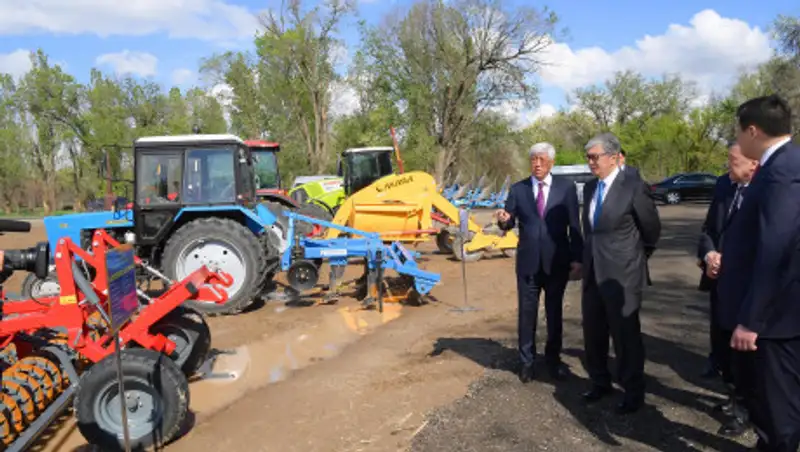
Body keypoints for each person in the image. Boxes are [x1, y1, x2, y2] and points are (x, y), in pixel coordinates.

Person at [719, 94, 800, 451]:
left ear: (753, 130)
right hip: (777, 313)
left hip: (776, 320)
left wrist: (752, 319)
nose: (738, 140)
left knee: (778, 413)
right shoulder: (784, 164)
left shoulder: (781, 170)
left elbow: (777, 248)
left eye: (739, 132)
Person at [578, 132, 661, 415]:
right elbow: (589, 231)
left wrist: (636, 257)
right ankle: (600, 382)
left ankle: (633, 391)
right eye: (588, 157)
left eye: (595, 157)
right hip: (593, 273)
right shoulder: (590, 189)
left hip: (623, 275)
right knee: (593, 333)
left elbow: (651, 230)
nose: (590, 163)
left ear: (614, 157)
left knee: (625, 337)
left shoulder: (634, 187)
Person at [496, 142, 583, 383]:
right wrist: (503, 220)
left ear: (551, 163)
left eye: (542, 160)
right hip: (528, 263)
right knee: (526, 314)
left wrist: (578, 258)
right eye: (533, 159)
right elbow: (508, 222)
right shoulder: (518, 189)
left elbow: (574, 226)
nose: (537, 164)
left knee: (554, 314)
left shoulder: (566, 189)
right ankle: (526, 362)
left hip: (557, 262)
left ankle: (553, 361)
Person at [697, 142, 758, 436]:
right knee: (721, 347)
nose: (727, 167)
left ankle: (745, 411)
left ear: (753, 165)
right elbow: (709, 229)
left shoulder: (768, 193)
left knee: (744, 353)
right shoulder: (724, 185)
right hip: (720, 284)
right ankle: (733, 396)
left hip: (749, 288)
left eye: (733, 162)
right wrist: (709, 255)